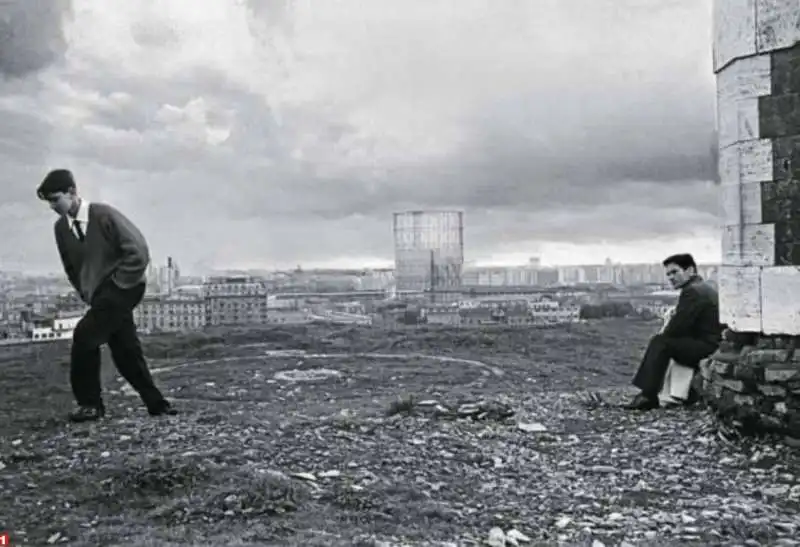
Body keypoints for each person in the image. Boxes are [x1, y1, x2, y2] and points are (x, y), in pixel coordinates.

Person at [37, 169, 176, 422]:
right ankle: (156, 404)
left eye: (55, 199)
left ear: (71, 192)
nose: (53, 206)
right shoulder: (61, 229)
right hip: (101, 295)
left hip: (126, 287)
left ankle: (90, 405)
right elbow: (71, 267)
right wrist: (87, 292)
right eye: (49, 202)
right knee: (125, 349)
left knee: (84, 335)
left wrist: (120, 282)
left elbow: (139, 251)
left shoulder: (103, 215)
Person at [625, 253, 721, 411]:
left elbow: (677, 328)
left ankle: (647, 395)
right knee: (664, 342)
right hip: (710, 343)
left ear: (690, 270)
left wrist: (666, 329)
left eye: (675, 272)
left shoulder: (692, 292)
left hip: (707, 347)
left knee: (660, 342)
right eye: (668, 274)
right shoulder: (701, 287)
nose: (670, 277)